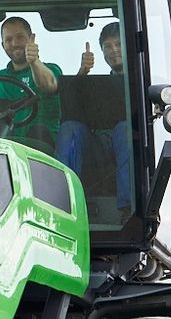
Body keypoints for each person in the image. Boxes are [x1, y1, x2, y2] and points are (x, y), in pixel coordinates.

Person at [57, 22, 133, 209]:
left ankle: (127, 207)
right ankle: (62, 203)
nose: (114, 50)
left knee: (125, 129)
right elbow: (71, 106)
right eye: (108, 46)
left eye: (119, 44)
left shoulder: (143, 83)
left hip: (129, 144)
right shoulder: (96, 87)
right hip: (98, 144)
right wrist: (83, 72)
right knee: (69, 129)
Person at [0, 16, 63, 150]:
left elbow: (49, 85)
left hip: (44, 147)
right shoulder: (0, 78)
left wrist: (34, 61)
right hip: (7, 146)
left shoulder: (51, 70)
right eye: (8, 40)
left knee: (37, 132)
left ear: (31, 38)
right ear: (3, 45)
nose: (14, 43)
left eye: (20, 37)